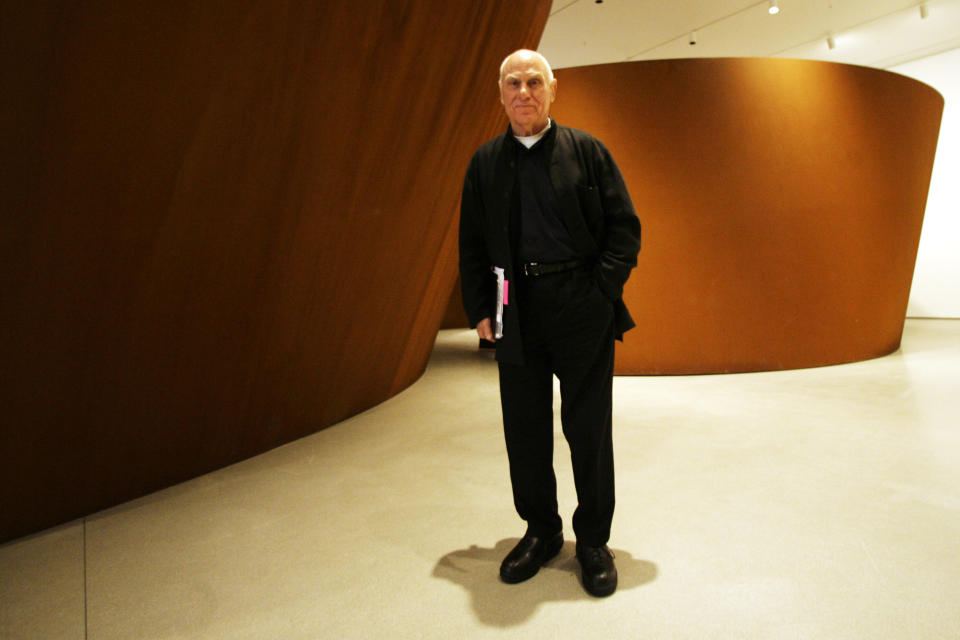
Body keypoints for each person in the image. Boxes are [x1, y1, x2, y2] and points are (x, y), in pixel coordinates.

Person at [458, 49, 641, 597]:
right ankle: (541, 530)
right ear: (500, 93)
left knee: (589, 427)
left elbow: (624, 229)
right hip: (515, 308)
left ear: (551, 89)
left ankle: (592, 541)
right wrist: (481, 311)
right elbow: (471, 244)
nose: (523, 92)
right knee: (525, 428)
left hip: (580, 304)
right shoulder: (484, 163)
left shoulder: (588, 152)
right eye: (512, 82)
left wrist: (601, 290)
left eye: (534, 81)